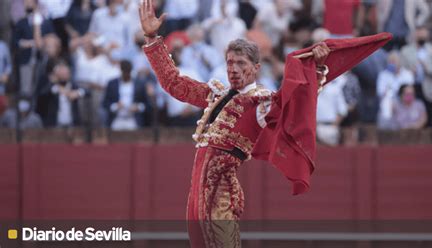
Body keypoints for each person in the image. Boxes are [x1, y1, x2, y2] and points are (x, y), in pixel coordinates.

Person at [138, 0, 391, 246]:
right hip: (197, 193)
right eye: (229, 63)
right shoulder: (215, 95)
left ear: (256, 67)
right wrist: (152, 39)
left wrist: (317, 70)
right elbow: (174, 83)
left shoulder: (260, 103)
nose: (233, 69)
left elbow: (294, 100)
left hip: (221, 193)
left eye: (241, 63)